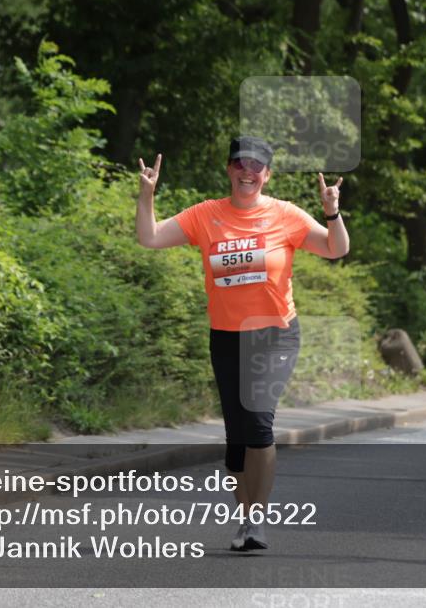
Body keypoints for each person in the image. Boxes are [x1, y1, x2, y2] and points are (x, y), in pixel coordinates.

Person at [135, 135, 349, 550]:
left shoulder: (286, 215)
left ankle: (257, 520)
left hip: (275, 334)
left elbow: (336, 248)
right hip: (226, 336)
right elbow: (150, 238)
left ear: (267, 175)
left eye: (256, 166)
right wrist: (146, 196)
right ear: (229, 170)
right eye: (240, 164)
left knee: (257, 421)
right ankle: (245, 518)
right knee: (237, 438)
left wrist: (332, 212)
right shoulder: (206, 215)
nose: (247, 172)